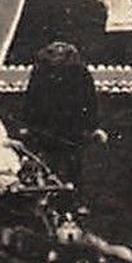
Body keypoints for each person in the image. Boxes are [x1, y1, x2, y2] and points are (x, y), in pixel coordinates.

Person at [23, 40, 103, 190]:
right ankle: (51, 203)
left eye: (62, 52)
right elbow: (31, 98)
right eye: (55, 52)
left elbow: (90, 99)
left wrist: (92, 125)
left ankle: (75, 200)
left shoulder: (80, 71)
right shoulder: (40, 71)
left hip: (72, 129)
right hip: (47, 129)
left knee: (74, 167)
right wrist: (30, 123)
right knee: (49, 167)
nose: (58, 55)